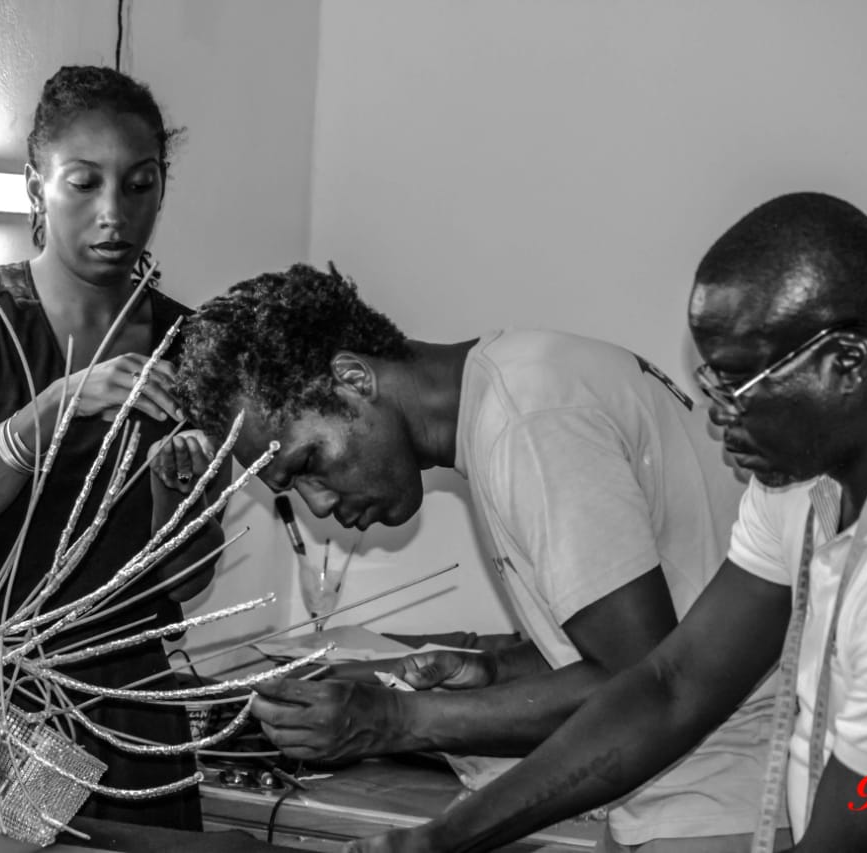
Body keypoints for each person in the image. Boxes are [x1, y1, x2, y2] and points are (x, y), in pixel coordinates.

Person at [345, 192, 867, 853]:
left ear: (844, 362)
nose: (717, 416)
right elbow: (674, 685)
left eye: (738, 386)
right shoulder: (806, 481)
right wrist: (436, 841)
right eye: (710, 382)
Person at [173, 264, 786, 849]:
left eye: (310, 463)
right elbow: (647, 637)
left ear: (355, 379)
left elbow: (640, 680)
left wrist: (396, 719)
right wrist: (496, 673)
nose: (319, 503)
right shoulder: (517, 382)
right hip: (689, 786)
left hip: (725, 792)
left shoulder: (529, 421)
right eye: (292, 488)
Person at [0, 65, 224, 830]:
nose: (114, 213)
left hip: (128, 709)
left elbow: (191, 572)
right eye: (83, 183)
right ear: (36, 185)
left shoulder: (195, 344)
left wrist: (178, 487)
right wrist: (54, 408)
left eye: (139, 185)